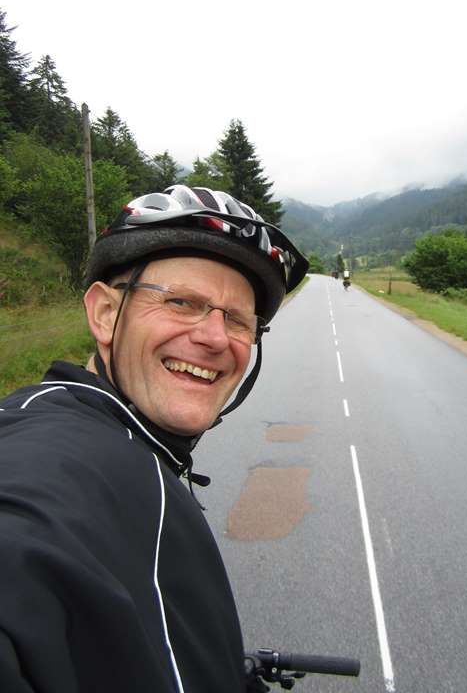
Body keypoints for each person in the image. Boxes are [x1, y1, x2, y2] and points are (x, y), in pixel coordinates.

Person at [0, 185, 308, 693]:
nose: (215, 338)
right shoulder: (53, 458)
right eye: (181, 302)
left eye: (237, 319)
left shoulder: (138, 446)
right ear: (104, 314)